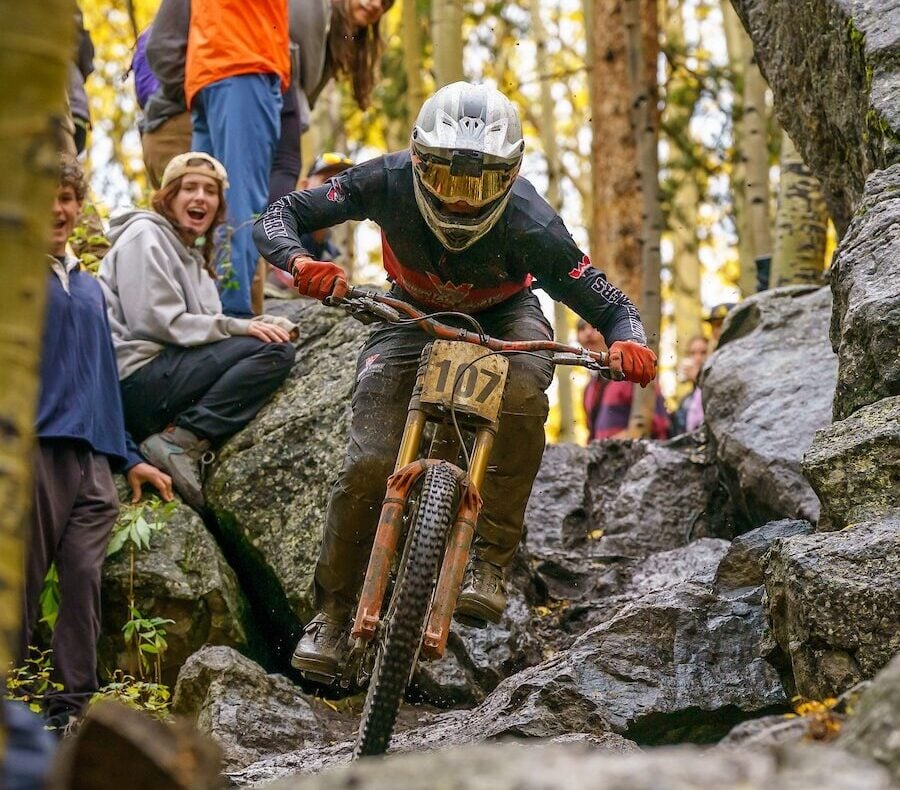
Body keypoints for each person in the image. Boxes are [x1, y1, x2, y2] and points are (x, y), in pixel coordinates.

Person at [254, 82, 657, 678]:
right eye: (445, 178)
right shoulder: (384, 179)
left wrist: (632, 343)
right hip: (407, 310)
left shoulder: (532, 221)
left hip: (505, 315)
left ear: (509, 177)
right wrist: (300, 261)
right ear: (419, 162)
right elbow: (279, 213)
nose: (461, 200)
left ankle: (489, 560)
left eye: (480, 185)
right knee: (368, 464)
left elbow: (610, 304)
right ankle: (332, 618)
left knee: (524, 391)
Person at [20, 156, 173, 732]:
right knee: (21, 582)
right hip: (35, 447)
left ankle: (70, 710)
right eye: (45, 196)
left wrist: (127, 455)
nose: (57, 209)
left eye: (66, 198)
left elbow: (104, 377)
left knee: (84, 580)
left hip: (93, 460)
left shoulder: (88, 287)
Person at [98, 152, 297, 510]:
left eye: (210, 191)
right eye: (189, 188)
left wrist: (262, 325)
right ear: (168, 196)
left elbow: (206, 334)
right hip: (135, 381)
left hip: (165, 374)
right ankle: (180, 441)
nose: (200, 198)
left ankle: (181, 436)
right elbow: (156, 322)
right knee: (272, 351)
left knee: (272, 343)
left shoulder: (192, 257)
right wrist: (241, 327)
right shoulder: (144, 236)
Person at [265, 151, 355, 298]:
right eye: (327, 181)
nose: (336, 189)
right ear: (304, 185)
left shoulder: (332, 252)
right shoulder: (278, 233)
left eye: (343, 183)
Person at [671, 335, 709, 436]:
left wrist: (699, 378)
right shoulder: (686, 400)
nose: (698, 358)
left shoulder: (716, 388)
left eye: (703, 352)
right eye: (692, 353)